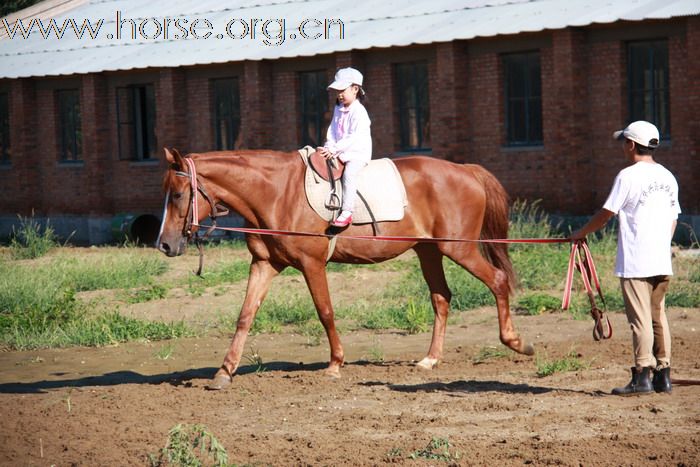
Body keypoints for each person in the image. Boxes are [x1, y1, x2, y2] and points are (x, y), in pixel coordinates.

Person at [571, 120, 680, 396]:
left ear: (631, 145)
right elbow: (674, 218)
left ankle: (642, 375)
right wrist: (662, 245)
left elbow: (607, 213)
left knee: (640, 320)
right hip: (661, 260)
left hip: (636, 261)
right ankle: (663, 375)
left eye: (624, 142)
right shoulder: (668, 176)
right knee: (659, 316)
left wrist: (580, 233)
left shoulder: (627, 176)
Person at [316, 67, 372, 228]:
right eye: (337, 90)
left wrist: (334, 149)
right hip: (339, 151)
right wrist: (329, 145)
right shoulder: (338, 109)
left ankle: (347, 211)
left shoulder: (359, 112)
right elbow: (333, 130)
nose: (339, 94)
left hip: (356, 154)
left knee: (349, 174)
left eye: (342, 89)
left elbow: (354, 137)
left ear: (355, 89)